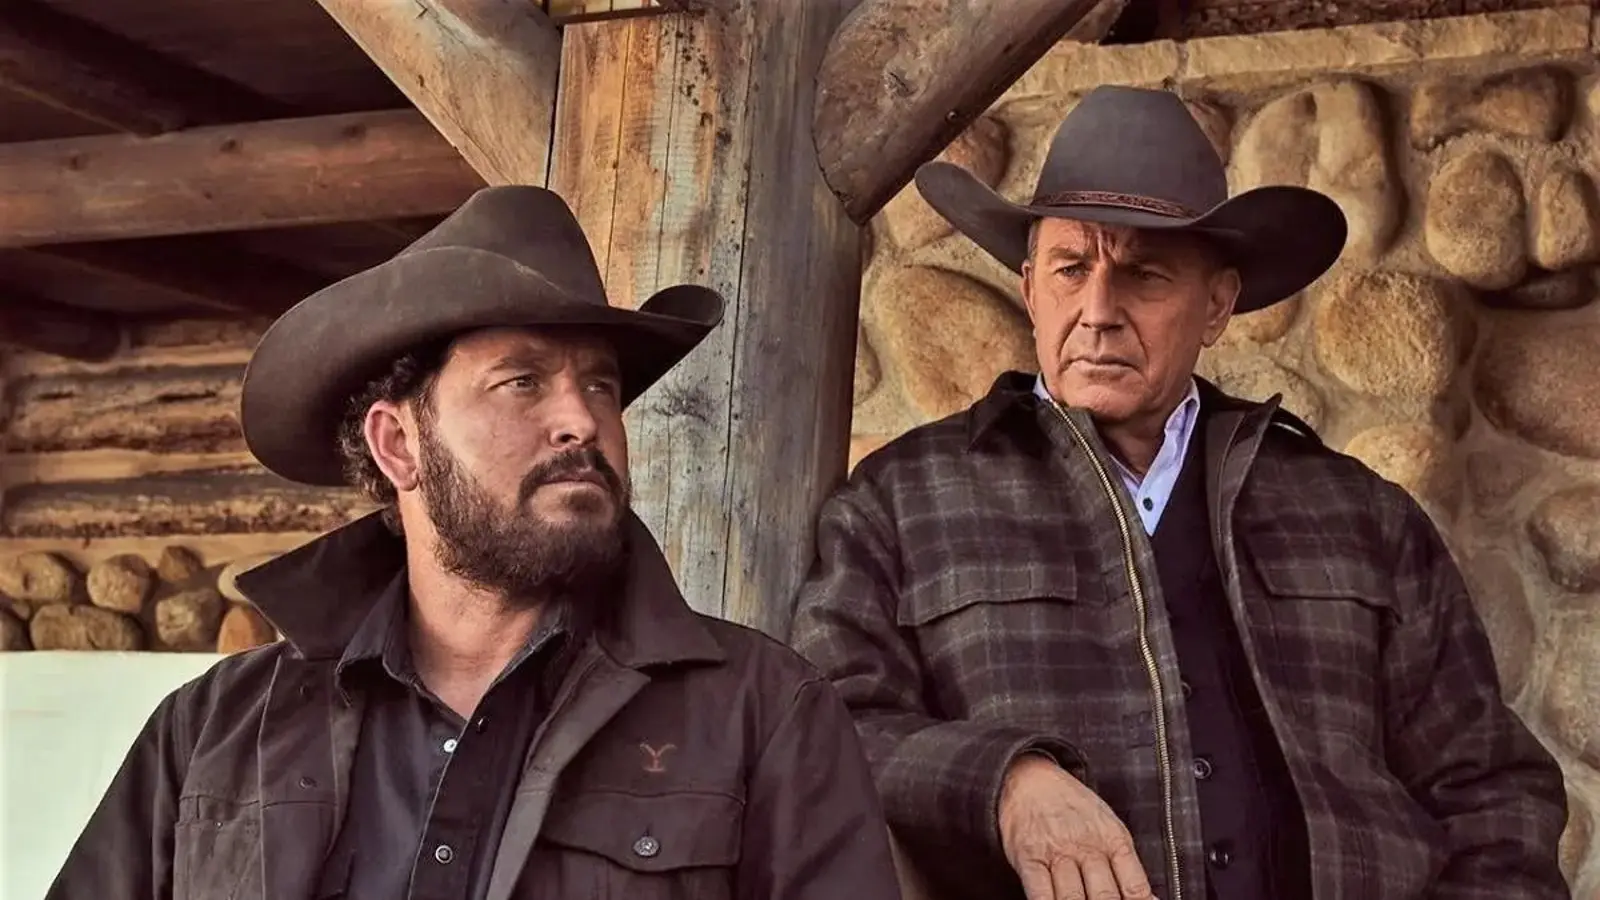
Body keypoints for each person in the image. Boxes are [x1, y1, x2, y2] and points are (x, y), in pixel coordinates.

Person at [790, 85, 1569, 900]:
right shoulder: (902, 504)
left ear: (1218, 306)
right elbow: (824, 726)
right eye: (1070, 268)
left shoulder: (1360, 517)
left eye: (1144, 275)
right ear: (1029, 289)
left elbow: (1490, 789)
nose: (1098, 311)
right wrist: (1007, 781)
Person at [46, 186, 905, 900]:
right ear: (398, 446)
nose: (581, 420)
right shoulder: (212, 729)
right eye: (521, 383)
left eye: (599, 385)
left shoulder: (764, 712)